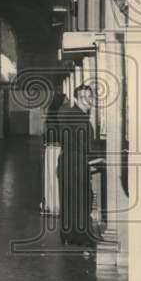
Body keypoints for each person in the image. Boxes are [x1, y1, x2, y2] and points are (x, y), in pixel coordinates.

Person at [54, 85, 99, 247]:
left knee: (69, 200)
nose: (88, 100)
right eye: (83, 97)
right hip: (76, 165)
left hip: (67, 163)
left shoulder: (70, 113)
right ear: (76, 99)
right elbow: (84, 146)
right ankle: (81, 238)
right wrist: (99, 158)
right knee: (82, 200)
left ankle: (68, 236)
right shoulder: (80, 118)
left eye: (90, 96)